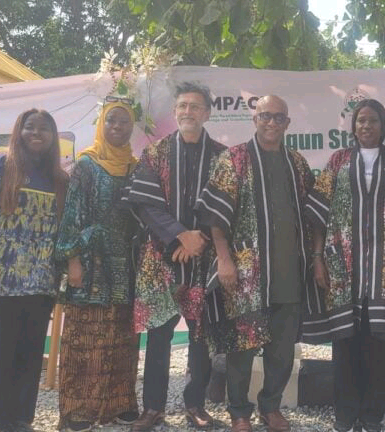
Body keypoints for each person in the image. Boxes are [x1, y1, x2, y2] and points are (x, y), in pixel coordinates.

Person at [195, 95, 315, 432]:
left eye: (278, 117)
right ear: (255, 119)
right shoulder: (233, 159)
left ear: (287, 123)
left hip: (288, 274)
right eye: (265, 116)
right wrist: (224, 259)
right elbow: (215, 216)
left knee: (282, 351)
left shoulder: (297, 163)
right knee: (241, 348)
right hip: (245, 275)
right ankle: (239, 412)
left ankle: (270, 407)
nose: (272, 122)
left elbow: (310, 213)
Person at [303, 98, 385, 432]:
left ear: (383, 126)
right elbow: (319, 216)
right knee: (344, 343)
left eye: (373, 120)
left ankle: (371, 417)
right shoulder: (338, 161)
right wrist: (317, 259)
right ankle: (345, 415)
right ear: (353, 127)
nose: (366, 126)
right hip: (342, 269)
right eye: (361, 121)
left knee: (375, 346)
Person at [121, 82, 226, 431]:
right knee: (158, 335)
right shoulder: (156, 153)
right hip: (161, 260)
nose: (187, 112)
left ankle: (195, 404)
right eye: (182, 106)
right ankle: (153, 408)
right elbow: (146, 206)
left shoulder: (223, 157)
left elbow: (227, 208)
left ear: (207, 113)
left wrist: (199, 240)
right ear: (175, 111)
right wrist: (180, 236)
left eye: (195, 106)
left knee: (201, 336)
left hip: (204, 261)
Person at [0, 109, 69, 432]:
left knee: (28, 355)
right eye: (29, 127)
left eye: (44, 128)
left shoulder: (59, 180)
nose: (36, 133)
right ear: (18, 131)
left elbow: (64, 232)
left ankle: (19, 419)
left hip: (40, 286)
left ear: (53, 137)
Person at [55, 98, 140, 431]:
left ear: (132, 127)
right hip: (91, 260)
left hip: (125, 265)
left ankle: (120, 404)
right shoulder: (86, 165)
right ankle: (79, 410)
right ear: (102, 124)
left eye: (124, 121)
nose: (116, 126)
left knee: (121, 335)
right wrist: (73, 260)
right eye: (111, 120)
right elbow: (72, 215)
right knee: (85, 335)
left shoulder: (135, 167)